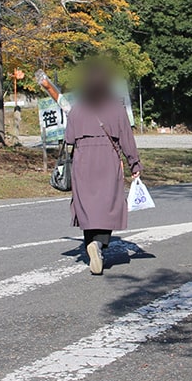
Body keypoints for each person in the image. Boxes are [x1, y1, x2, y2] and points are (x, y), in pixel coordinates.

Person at [64, 62, 141, 275]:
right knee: (108, 205)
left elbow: (69, 138)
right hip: (108, 158)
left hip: (82, 162)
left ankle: (91, 244)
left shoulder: (78, 108)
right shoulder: (116, 108)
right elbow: (127, 138)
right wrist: (134, 163)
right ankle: (98, 244)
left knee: (87, 207)